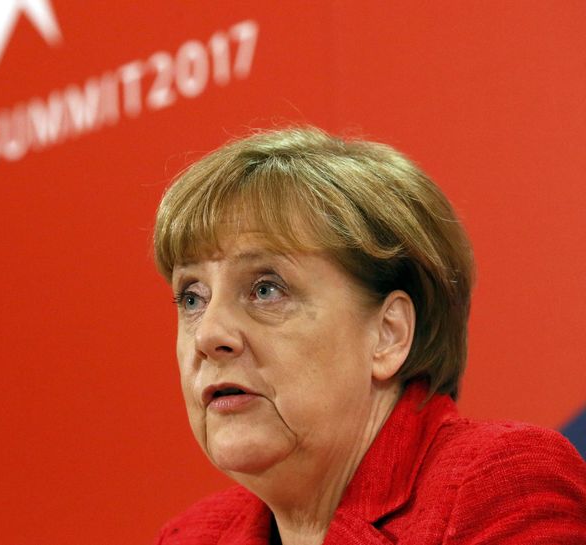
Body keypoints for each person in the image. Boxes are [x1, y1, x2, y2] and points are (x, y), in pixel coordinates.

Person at [151, 127, 586, 545]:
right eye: (192, 298)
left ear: (388, 335)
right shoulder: (191, 536)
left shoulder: (499, 488)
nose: (208, 333)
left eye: (266, 289)